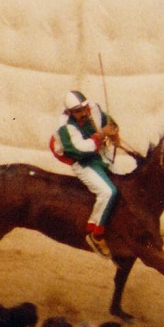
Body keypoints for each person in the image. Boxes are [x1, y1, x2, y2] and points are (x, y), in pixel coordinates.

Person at [51, 90, 122, 259]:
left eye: (84, 108)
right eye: (78, 111)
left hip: (99, 157)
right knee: (108, 192)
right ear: (69, 112)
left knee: (123, 183)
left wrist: (114, 133)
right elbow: (80, 150)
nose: (83, 113)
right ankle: (95, 233)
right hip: (82, 162)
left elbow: (109, 122)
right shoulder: (65, 127)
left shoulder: (94, 110)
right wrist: (101, 135)